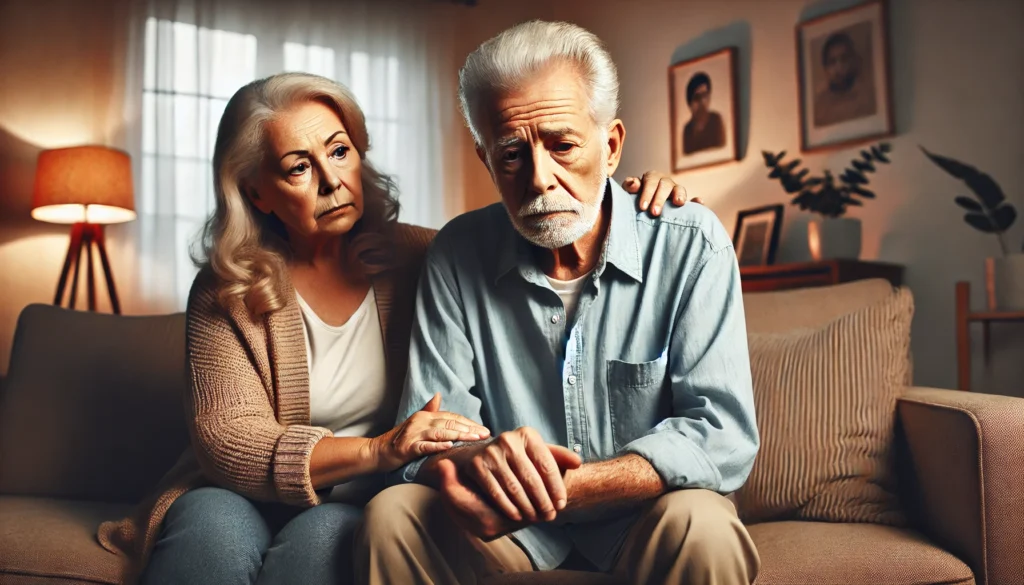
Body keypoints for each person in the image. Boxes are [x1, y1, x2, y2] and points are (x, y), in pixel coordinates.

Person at [94, 71, 694, 585]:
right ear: (257, 192)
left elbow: (538, 225)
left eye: (340, 151)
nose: (332, 181)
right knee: (207, 541)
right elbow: (226, 440)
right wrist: (380, 449)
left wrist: (625, 200)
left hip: (360, 499)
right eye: (298, 167)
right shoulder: (224, 288)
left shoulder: (428, 258)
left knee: (320, 550)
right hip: (237, 490)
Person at [357, 20, 760, 585]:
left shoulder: (692, 243)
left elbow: (721, 432)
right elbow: (429, 436)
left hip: (645, 516)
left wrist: (570, 491)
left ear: (612, 145)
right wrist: (476, 461)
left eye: (563, 145)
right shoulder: (454, 253)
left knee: (705, 525)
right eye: (513, 154)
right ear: (486, 159)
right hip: (504, 525)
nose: (540, 179)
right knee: (393, 517)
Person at [813, 30, 877, 127]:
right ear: (826, 68)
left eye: (844, 59)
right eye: (832, 62)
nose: (839, 67)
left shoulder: (867, 96)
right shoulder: (820, 106)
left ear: (852, 61)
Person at [682, 71, 726, 154]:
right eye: (697, 98)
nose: (702, 102)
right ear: (690, 103)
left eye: (705, 96)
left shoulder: (716, 120)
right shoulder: (687, 130)